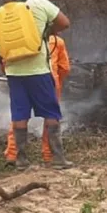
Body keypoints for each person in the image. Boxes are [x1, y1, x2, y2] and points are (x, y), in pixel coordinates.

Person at [0, 0, 72, 170]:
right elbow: (64, 23)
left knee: (20, 114)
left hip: (14, 73)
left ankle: (21, 160)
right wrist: (46, 33)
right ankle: (57, 158)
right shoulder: (40, 3)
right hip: (40, 70)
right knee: (50, 112)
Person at [41, 34, 71, 165]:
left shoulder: (22, 38)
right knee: (50, 115)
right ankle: (50, 156)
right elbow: (64, 68)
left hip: (22, 79)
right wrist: (58, 80)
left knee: (21, 115)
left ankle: (14, 155)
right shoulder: (56, 41)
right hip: (49, 80)